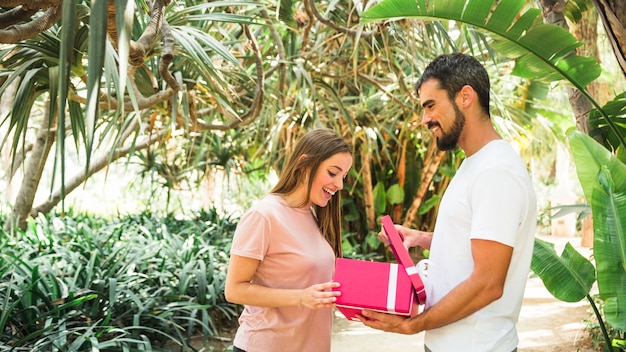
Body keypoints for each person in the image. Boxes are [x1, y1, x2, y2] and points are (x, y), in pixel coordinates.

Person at [357, 53, 537, 352]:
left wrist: (413, 325)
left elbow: (488, 283)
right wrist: (421, 238)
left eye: (431, 105)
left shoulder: (495, 173)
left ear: (465, 96)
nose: (425, 119)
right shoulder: (475, 164)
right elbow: (478, 242)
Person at [224, 128, 353, 352]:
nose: (339, 185)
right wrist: (300, 298)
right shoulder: (264, 215)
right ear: (304, 165)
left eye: (343, 177)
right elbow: (234, 289)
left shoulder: (315, 217)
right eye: (333, 173)